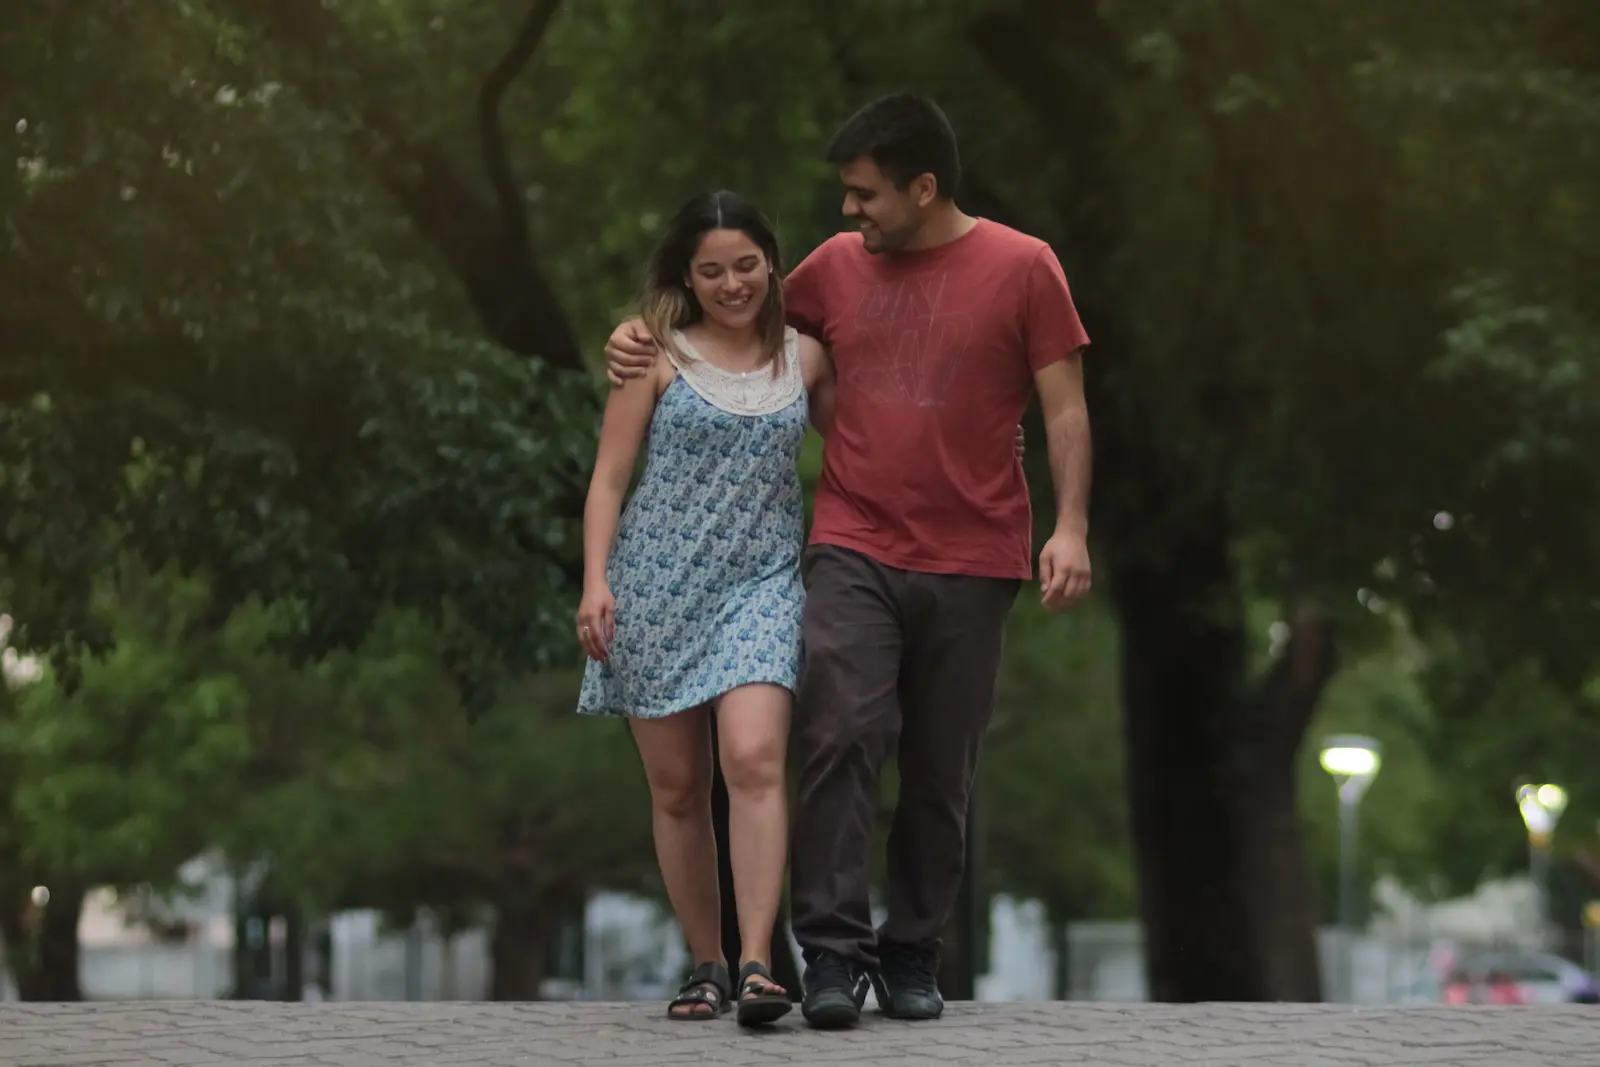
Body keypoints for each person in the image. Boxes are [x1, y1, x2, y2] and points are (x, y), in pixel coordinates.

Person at [605, 94, 1093, 1030]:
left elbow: (1064, 408)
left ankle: (911, 947)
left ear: (923, 186)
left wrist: (1068, 527)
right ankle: (830, 952)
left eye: (865, 195)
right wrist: (635, 333)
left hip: (976, 550)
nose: (847, 213)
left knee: (942, 767)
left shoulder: (1026, 267)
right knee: (837, 733)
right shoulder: (834, 270)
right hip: (853, 541)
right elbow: (728, 320)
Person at [576, 189, 836, 1027]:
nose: (733, 284)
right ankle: (707, 962)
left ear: (772, 260)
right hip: (654, 586)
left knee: (756, 758)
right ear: (688, 276)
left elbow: (865, 449)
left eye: (747, 265)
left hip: (760, 587)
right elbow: (610, 478)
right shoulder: (652, 354)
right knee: (680, 789)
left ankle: (760, 961)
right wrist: (595, 581)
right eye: (712, 270)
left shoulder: (807, 358)